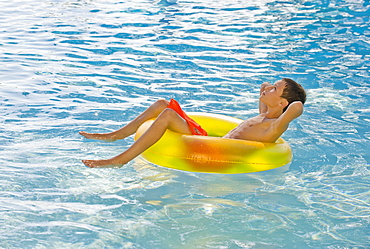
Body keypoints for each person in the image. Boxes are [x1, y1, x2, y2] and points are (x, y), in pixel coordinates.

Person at [80, 78, 306, 168]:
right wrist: (272, 89)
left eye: (273, 89)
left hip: (214, 151)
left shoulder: (275, 125)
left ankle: (119, 160)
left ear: (283, 102)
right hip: (208, 139)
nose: (267, 89)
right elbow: (264, 89)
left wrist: (287, 100)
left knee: (167, 116)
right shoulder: (265, 114)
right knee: (161, 104)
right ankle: (115, 135)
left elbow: (296, 107)